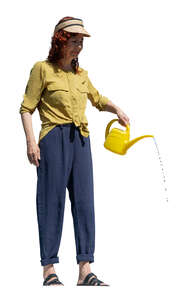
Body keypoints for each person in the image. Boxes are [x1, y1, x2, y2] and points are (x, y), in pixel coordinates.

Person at [19, 16, 130, 286]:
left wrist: (117, 110)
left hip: (81, 139)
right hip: (52, 138)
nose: (79, 45)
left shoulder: (82, 75)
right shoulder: (42, 69)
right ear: (60, 40)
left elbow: (97, 98)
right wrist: (31, 142)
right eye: (74, 39)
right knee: (51, 201)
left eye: (81, 41)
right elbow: (26, 108)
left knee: (84, 202)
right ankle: (49, 270)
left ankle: (85, 269)